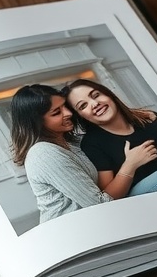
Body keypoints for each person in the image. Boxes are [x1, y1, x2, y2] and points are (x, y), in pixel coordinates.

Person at [61, 79, 157, 198]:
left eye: (96, 95)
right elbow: (109, 196)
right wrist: (130, 164)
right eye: (83, 106)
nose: (94, 104)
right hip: (139, 204)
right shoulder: (92, 143)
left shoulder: (150, 120)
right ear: (81, 117)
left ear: (108, 94)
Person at [10, 83, 116, 222]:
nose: (69, 113)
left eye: (65, 106)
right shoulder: (43, 154)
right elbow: (99, 204)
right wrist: (129, 167)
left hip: (96, 220)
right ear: (37, 122)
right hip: (73, 233)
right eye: (56, 112)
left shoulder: (74, 142)